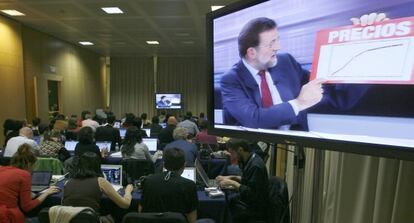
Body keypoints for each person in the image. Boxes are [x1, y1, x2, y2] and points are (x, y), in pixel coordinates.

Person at [220, 17, 326, 131]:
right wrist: (299, 103)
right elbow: (253, 119)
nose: (278, 47)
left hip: (295, 143)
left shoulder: (286, 61)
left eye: (277, 40)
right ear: (251, 52)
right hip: (255, 145)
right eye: (271, 43)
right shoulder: (230, 80)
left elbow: (317, 79)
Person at [139, 148, 214, 223]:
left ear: (164, 164)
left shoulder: (148, 181)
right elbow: (192, 219)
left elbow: (141, 211)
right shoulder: (189, 185)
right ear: (184, 165)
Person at [63, 152, 133, 222]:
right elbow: (125, 204)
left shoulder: (67, 182)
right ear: (97, 165)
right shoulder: (100, 181)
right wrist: (128, 191)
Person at [0, 144, 60, 222]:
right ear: (29, 164)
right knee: (51, 201)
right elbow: (27, 207)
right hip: (8, 216)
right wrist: (46, 193)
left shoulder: (2, 169)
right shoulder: (24, 174)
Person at [216, 138, 269, 223]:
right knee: (227, 197)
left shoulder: (255, 166)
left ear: (240, 150)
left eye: (233, 153)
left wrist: (232, 183)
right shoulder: (251, 158)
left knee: (227, 202)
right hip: (250, 201)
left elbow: (252, 194)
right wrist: (231, 177)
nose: (232, 156)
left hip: (254, 208)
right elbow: (247, 180)